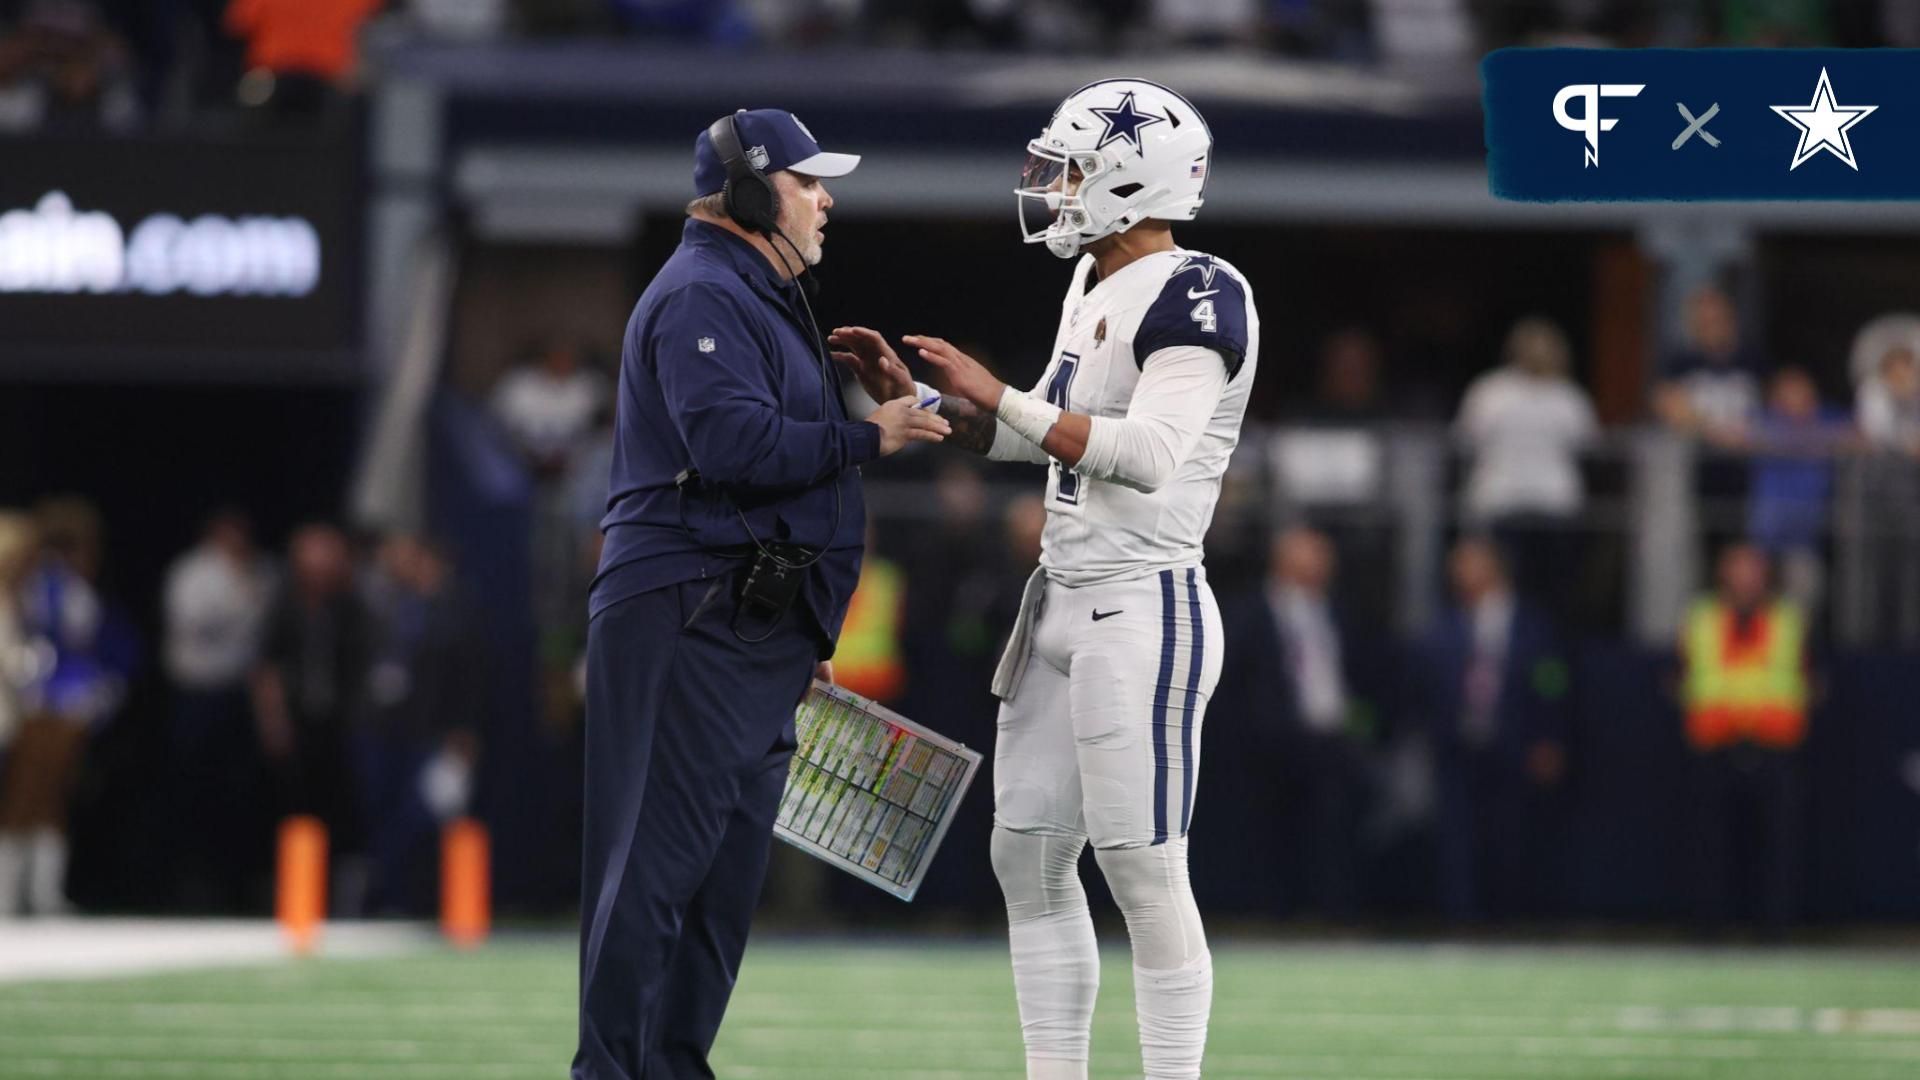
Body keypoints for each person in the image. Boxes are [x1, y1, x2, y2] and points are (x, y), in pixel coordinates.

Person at [833, 78, 1257, 1080]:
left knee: (1144, 869)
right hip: (1061, 598)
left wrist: (1005, 396)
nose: (1057, 188)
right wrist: (935, 401)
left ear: (1128, 179)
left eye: (1074, 169)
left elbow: (1147, 453)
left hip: (1143, 600)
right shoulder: (1092, 286)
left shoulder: (1202, 288)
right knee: (1024, 857)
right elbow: (1049, 444)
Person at [574, 108, 947, 1080]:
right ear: (747, 193)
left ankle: (670, 1067)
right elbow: (732, 449)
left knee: (719, 891)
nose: (826, 199)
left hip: (745, 628)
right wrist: (875, 435)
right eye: (808, 179)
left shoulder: (753, 297)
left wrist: (797, 621)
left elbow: (778, 474)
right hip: (687, 616)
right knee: (656, 869)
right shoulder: (703, 291)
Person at [1217, 527, 1373, 920]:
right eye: (1311, 556)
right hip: (1267, 747)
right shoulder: (1248, 613)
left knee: (1330, 837)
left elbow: (1365, 674)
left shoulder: (1341, 612)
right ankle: (1268, 916)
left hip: (1330, 741)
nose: (1322, 565)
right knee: (1268, 838)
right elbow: (1231, 681)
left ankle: (1329, 915)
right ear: (1284, 561)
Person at [1417, 537, 1569, 922]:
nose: (1459, 574)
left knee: (1511, 840)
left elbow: (1552, 684)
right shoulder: (1444, 626)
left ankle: (1511, 923)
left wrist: (1549, 739)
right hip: (1458, 746)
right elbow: (1428, 688)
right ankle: (1460, 923)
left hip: (1514, 745)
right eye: (1456, 566)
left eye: (1468, 564)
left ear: (1494, 568)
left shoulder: (1533, 626)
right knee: (1456, 843)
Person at [1680, 543, 1809, 935]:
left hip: (1773, 743)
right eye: (1737, 568)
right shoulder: (1702, 618)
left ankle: (1775, 929)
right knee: (1712, 845)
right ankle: (1711, 928)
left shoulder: (1787, 619)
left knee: (1777, 845)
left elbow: (1804, 677)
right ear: (1722, 573)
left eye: (1752, 569)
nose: (1745, 578)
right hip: (1715, 743)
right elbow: (1687, 674)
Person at [162, 509, 275, 910]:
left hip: (237, 694)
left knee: (237, 793)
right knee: (193, 789)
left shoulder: (260, 571)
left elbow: (265, 628)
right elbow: (195, 624)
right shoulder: (192, 573)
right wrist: (237, 597)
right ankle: (189, 885)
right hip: (197, 692)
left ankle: (231, 885)